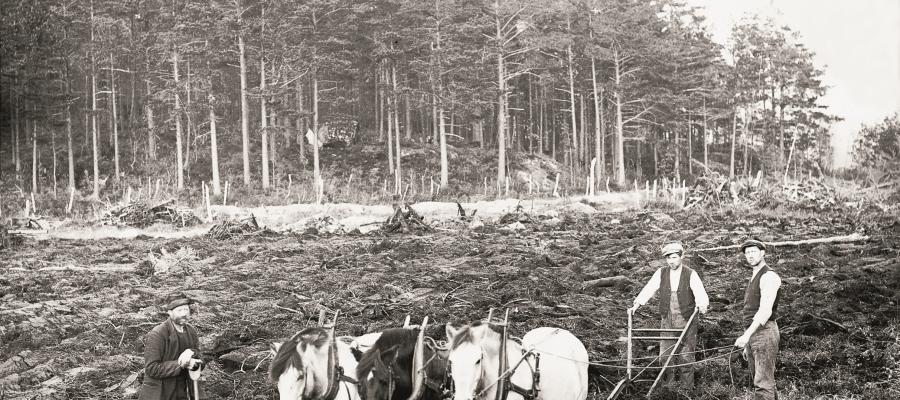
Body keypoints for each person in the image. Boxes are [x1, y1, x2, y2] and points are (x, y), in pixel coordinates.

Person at [628, 241, 709, 388]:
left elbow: (700, 294)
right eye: (668, 258)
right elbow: (649, 288)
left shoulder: (690, 274)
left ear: (681, 256)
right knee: (665, 356)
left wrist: (701, 304)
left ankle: (687, 389)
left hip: (687, 319)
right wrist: (636, 305)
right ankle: (668, 388)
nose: (671, 261)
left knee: (686, 357)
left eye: (674, 257)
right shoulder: (661, 273)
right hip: (667, 319)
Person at [733, 239, 781, 400]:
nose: (750, 255)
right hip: (754, 333)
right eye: (747, 253)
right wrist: (748, 342)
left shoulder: (769, 276)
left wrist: (747, 336)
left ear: (763, 253)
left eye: (753, 251)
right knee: (762, 380)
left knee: (762, 382)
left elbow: (765, 311)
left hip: (765, 332)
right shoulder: (754, 275)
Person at [139, 293, 205, 400]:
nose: (184, 314)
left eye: (186, 309)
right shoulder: (158, 334)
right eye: (179, 310)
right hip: (161, 393)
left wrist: (192, 352)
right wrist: (181, 364)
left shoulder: (191, 331)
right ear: (170, 312)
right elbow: (152, 369)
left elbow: (201, 360)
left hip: (184, 391)